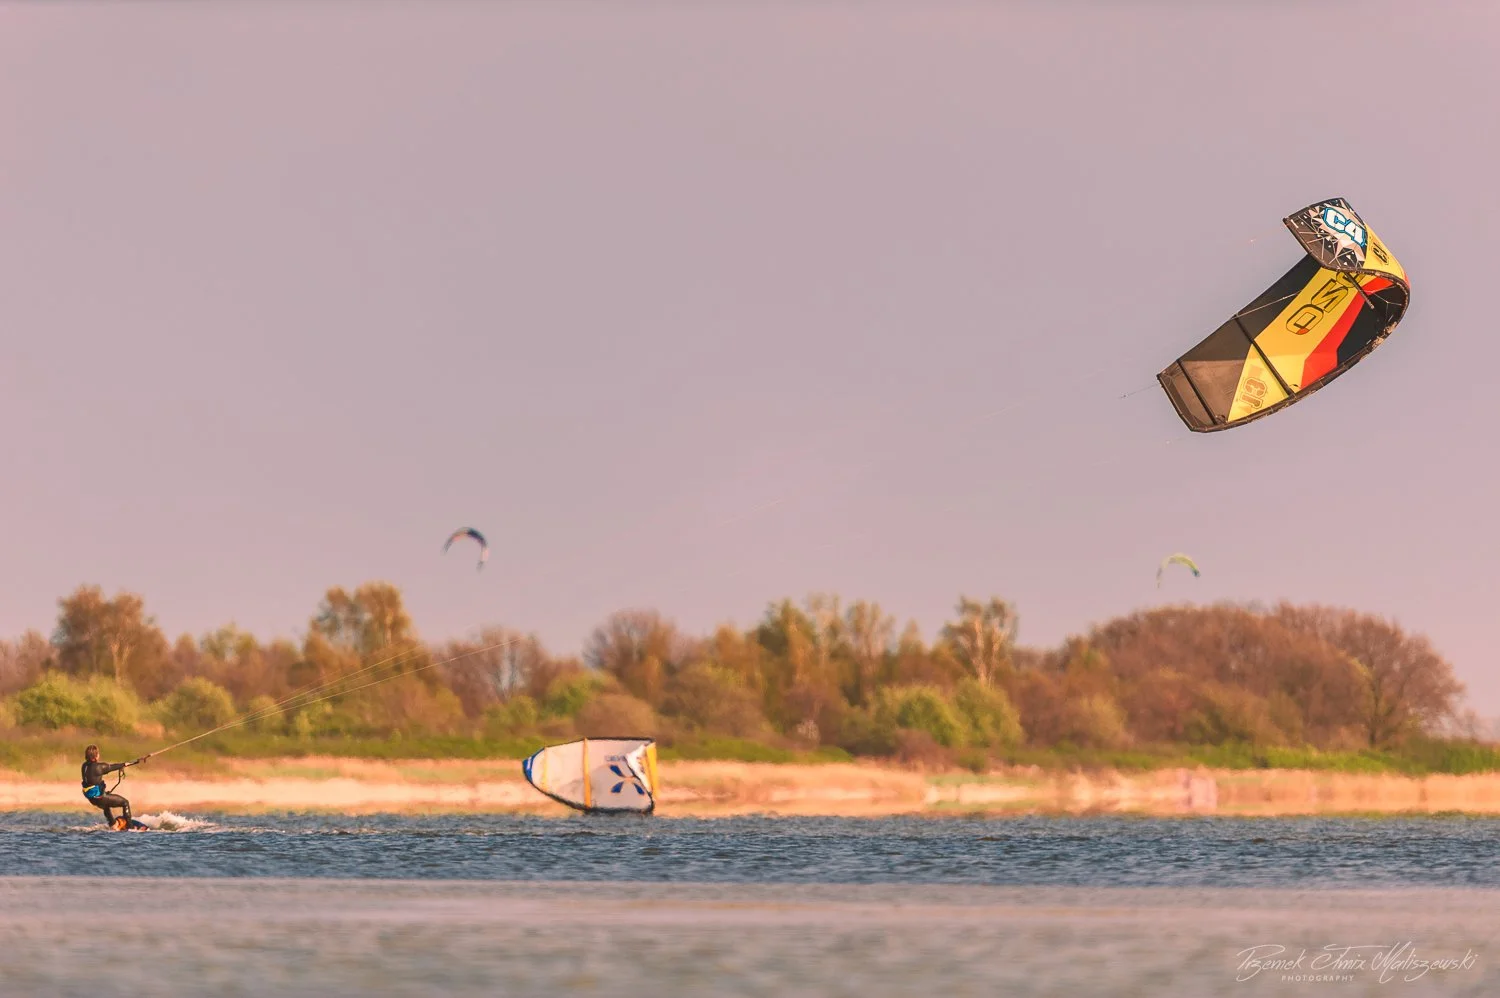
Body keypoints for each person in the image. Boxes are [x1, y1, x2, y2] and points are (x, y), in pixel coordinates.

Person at [81, 744, 151, 829]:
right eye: (98, 753)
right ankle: (130, 828)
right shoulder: (98, 767)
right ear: (95, 756)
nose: (99, 755)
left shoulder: (84, 766)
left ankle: (113, 824)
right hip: (100, 797)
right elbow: (115, 766)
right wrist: (137, 760)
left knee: (106, 805)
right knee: (125, 803)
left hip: (92, 798)